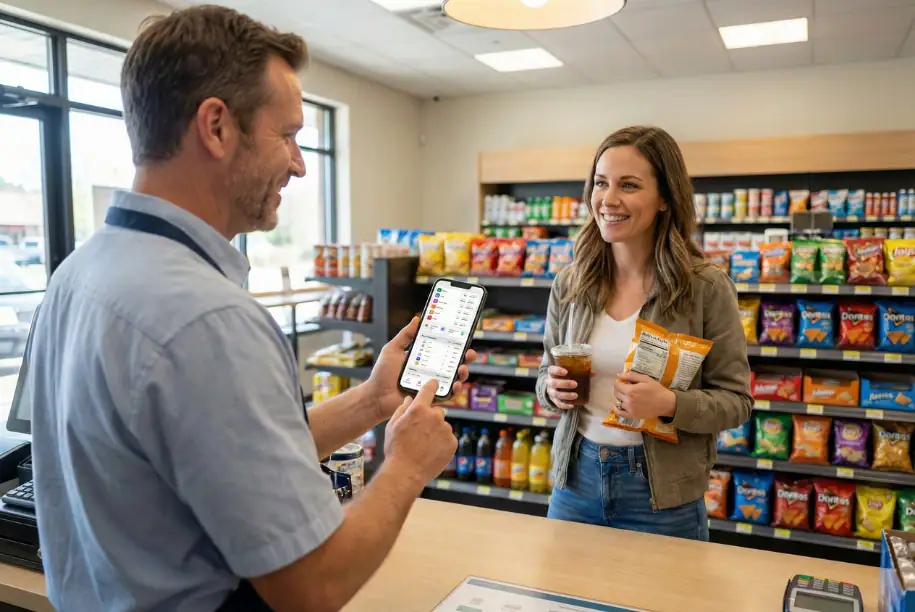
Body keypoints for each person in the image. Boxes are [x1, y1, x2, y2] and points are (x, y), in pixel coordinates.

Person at [28, 6, 473, 611]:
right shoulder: (209, 320)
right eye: (287, 134)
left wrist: (373, 400)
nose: (299, 163)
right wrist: (407, 466)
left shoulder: (77, 275)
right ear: (216, 127)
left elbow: (232, 458)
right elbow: (313, 586)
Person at [535, 125, 752, 540]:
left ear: (665, 198)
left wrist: (669, 403)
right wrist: (552, 389)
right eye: (601, 183)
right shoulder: (571, 283)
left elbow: (737, 402)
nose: (608, 199)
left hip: (661, 497)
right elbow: (545, 374)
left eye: (629, 185)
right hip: (575, 482)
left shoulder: (705, 287)